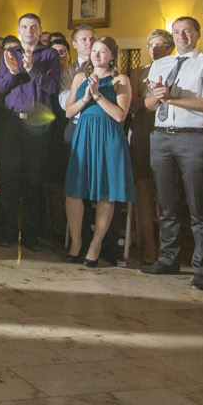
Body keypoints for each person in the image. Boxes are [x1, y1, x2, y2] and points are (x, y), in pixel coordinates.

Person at [140, 16, 203, 289]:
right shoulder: (161, 64)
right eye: (177, 32)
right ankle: (168, 259)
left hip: (194, 137)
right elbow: (149, 105)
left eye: (187, 31)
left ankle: (202, 268)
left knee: (199, 206)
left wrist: (173, 99)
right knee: (167, 204)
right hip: (162, 136)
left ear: (197, 35)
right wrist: (158, 97)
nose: (182, 36)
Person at [0, 13, 63, 250]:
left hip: (37, 124)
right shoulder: (9, 54)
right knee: (9, 179)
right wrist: (13, 72)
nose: (29, 31)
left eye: (33, 27)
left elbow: (52, 86)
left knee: (34, 180)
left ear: (40, 30)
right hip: (12, 123)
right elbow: (0, 86)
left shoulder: (50, 55)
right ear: (18, 30)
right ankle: (8, 233)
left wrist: (32, 69)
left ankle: (31, 236)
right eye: (24, 27)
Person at [62, 37, 134, 266]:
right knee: (74, 191)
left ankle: (95, 246)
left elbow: (120, 115)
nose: (96, 55)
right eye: (94, 50)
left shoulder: (120, 80)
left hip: (109, 136)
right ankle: (76, 242)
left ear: (112, 55)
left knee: (105, 192)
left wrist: (97, 95)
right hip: (85, 133)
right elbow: (68, 112)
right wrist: (85, 97)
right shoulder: (79, 77)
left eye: (102, 51)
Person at [127, 29, 172, 267]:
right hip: (144, 127)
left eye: (160, 45)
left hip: (171, 125)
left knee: (165, 192)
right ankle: (148, 247)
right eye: (151, 45)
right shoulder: (139, 72)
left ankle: (169, 249)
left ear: (171, 48)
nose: (154, 49)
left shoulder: (178, 68)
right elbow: (132, 103)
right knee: (143, 186)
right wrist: (152, 99)